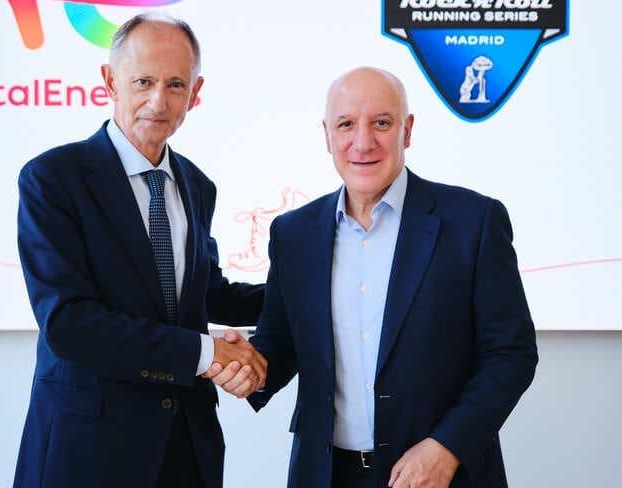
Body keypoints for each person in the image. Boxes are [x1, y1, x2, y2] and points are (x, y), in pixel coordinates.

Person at [208, 67, 537, 487]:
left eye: (381, 123)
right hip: (325, 475)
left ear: (407, 130)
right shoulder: (293, 234)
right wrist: (249, 367)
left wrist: (448, 447)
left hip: (440, 475)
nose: (362, 143)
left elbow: (511, 354)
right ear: (327, 135)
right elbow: (282, 341)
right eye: (346, 124)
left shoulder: (473, 222)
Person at [13, 13, 266, 488]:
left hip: (185, 448)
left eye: (175, 85)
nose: (158, 101)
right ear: (110, 81)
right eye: (143, 82)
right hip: (89, 450)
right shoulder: (53, 179)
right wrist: (205, 352)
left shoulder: (197, 185)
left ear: (195, 92)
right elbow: (69, 323)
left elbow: (203, 294)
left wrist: (307, 290)